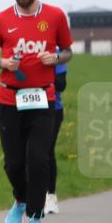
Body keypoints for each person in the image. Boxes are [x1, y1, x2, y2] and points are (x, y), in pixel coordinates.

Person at [0, 0, 73, 223]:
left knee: (39, 160)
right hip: (10, 99)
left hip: (43, 98)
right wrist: (3, 62)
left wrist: (55, 57)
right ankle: (20, 200)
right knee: (13, 163)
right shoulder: (1, 20)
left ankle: (35, 219)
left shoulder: (55, 16)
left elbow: (68, 51)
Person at [45, 59, 67, 213]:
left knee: (46, 150)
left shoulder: (56, 52)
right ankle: (26, 196)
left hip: (52, 108)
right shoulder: (22, 47)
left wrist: (41, 73)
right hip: (26, 106)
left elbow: (61, 84)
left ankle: (50, 196)